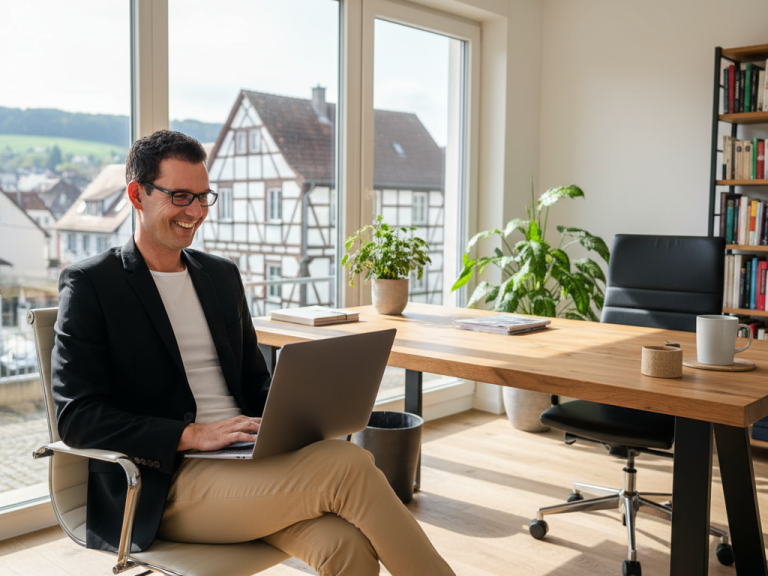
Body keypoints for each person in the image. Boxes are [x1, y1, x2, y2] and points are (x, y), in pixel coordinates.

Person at [51, 130, 455, 576]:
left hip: (245, 462)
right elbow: (77, 418)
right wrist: (191, 435)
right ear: (137, 195)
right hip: (163, 484)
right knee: (349, 466)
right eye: (181, 196)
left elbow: (253, 380)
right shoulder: (92, 284)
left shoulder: (220, 276)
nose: (195, 212)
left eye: (204, 197)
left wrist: (297, 416)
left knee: (346, 546)